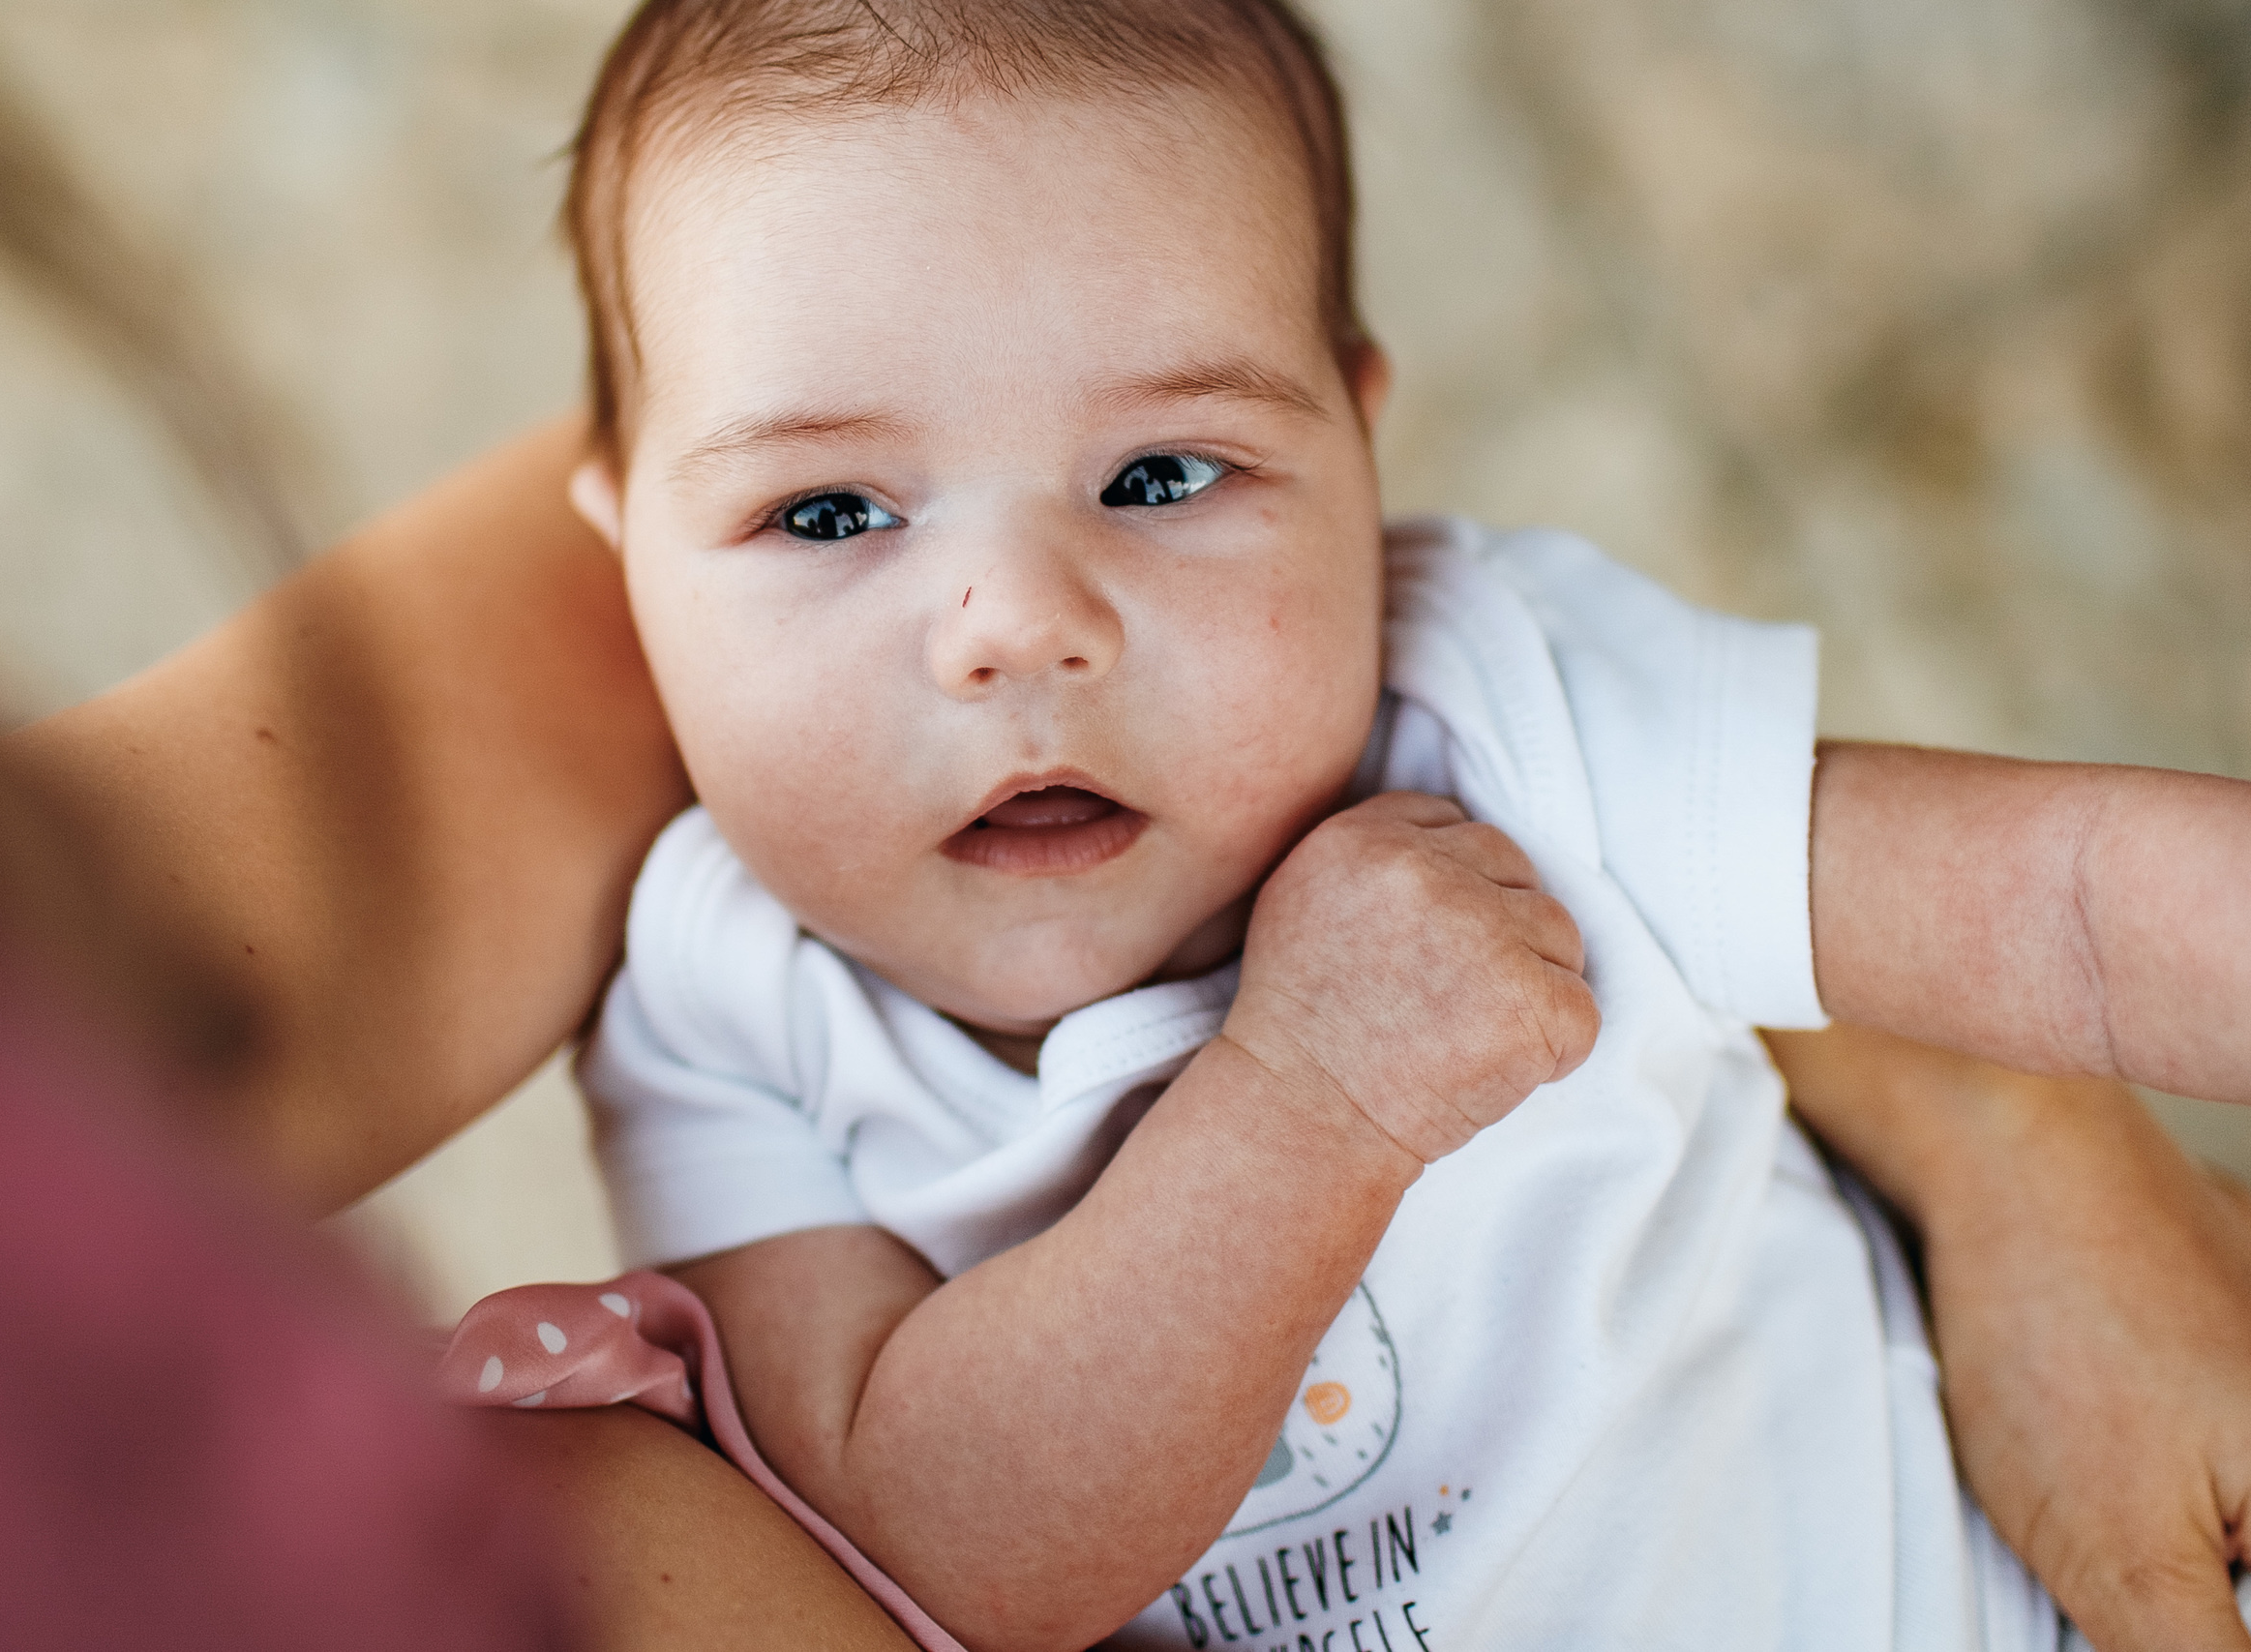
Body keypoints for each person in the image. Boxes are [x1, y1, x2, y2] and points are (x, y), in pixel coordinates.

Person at [414, 2, 2251, 1648]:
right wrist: (1311, 1099)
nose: (1017, 623)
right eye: (828, 515)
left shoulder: (1497, 705)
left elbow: (2070, 908)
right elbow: (944, 1554)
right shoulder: (721, 1003)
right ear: (625, 544)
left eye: (1161, 475)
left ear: (1363, 461)